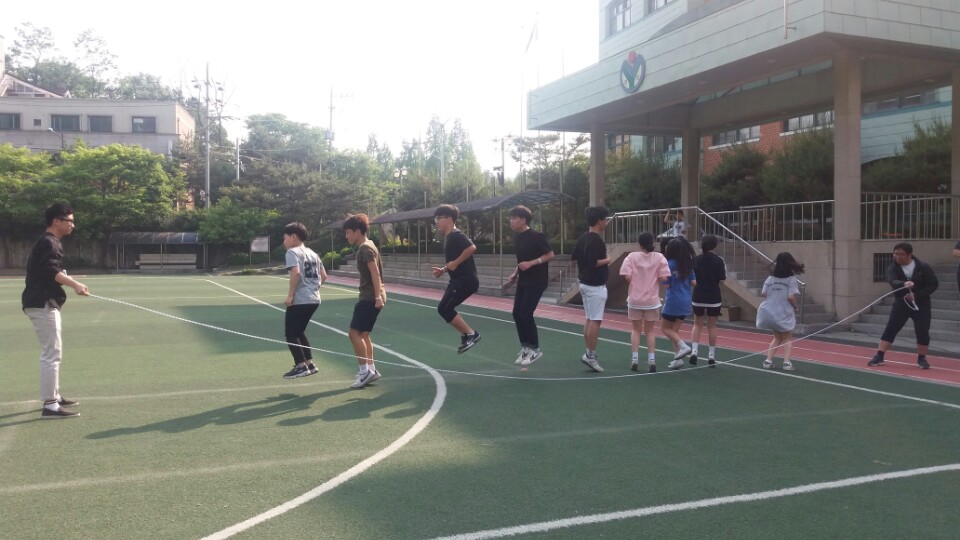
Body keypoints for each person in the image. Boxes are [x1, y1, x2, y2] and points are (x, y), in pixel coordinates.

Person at [22, 203, 89, 419]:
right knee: (51, 354)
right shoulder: (49, 242)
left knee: (53, 352)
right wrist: (75, 285)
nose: (72, 225)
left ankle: (54, 396)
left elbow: (51, 271)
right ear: (56, 221)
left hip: (43, 302)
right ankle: (50, 405)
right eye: (69, 221)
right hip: (42, 303)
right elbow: (51, 271)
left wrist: (69, 280)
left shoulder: (50, 242)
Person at [867, 242, 939, 369]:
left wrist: (917, 295)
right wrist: (903, 284)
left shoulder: (923, 267)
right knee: (891, 327)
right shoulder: (893, 268)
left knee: (922, 330)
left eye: (901, 254)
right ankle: (879, 355)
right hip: (901, 303)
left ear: (909, 255)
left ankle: (922, 358)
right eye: (895, 254)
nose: (897, 257)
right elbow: (892, 280)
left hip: (921, 304)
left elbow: (933, 284)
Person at [505, 205, 554, 366]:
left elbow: (550, 254)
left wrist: (532, 263)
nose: (511, 221)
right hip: (524, 280)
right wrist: (515, 273)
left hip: (537, 281)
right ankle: (525, 347)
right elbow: (521, 260)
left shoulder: (536, 236)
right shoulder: (518, 237)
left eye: (514, 218)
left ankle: (535, 349)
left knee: (526, 313)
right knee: (517, 313)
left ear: (523, 220)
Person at [342, 213, 387, 388]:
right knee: (364, 334)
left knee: (353, 333)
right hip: (372, 295)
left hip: (369, 297)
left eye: (348, 232)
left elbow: (375, 273)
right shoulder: (369, 245)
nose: (346, 236)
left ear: (358, 231)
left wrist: (377, 297)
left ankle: (364, 372)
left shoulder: (365, 249)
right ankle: (371, 370)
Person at [430, 204, 481, 353]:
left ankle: (471, 334)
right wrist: (443, 269)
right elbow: (453, 262)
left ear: (449, 219)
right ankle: (466, 335)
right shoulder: (449, 237)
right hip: (458, 280)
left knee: (444, 308)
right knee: (444, 309)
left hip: (465, 280)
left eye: (438, 218)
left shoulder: (455, 234)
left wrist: (456, 263)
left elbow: (472, 248)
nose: (436, 222)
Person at [280, 222, 327, 379]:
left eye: (285, 238)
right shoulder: (313, 253)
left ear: (293, 237)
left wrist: (290, 295)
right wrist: (313, 288)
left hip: (300, 299)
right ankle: (309, 364)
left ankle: (301, 366)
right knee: (299, 331)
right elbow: (324, 275)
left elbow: (296, 272)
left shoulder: (292, 252)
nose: (284, 242)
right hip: (314, 299)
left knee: (290, 333)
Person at [619, 231, 670, 373]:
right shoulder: (659, 257)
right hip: (652, 300)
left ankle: (635, 358)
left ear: (639, 243)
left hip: (635, 298)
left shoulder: (631, 257)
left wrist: (637, 281)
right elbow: (664, 278)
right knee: (650, 331)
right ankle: (652, 359)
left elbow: (627, 276)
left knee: (636, 330)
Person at [571, 205, 612, 373]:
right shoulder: (597, 240)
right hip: (595, 286)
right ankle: (590, 355)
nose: (606, 223)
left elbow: (574, 256)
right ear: (599, 221)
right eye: (605, 220)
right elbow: (593, 262)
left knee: (589, 319)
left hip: (585, 283)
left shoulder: (584, 238)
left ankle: (589, 352)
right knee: (595, 320)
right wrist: (607, 259)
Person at [755, 252, 804, 371]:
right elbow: (790, 297)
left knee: (777, 337)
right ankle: (786, 363)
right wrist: (796, 307)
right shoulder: (791, 279)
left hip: (769, 310)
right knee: (787, 338)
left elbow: (763, 293)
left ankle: (768, 361)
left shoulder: (770, 278)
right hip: (783, 311)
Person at [689, 234, 726, 367]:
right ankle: (711, 356)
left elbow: (692, 278)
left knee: (697, 324)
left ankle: (694, 351)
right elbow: (722, 279)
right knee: (712, 326)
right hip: (713, 296)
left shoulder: (696, 260)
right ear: (715, 246)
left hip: (698, 295)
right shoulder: (719, 261)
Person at [663, 237, 697, 369]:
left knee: (665, 328)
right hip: (686, 300)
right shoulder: (687, 264)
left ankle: (683, 346)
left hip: (673, 300)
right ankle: (678, 359)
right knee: (674, 331)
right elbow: (694, 282)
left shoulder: (669, 264)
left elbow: (666, 284)